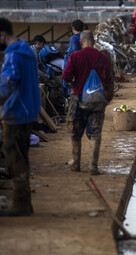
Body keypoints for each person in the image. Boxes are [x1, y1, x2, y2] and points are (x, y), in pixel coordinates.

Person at [0, 18, 40, 216]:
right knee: (21, 157)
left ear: (2, 35)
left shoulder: (13, 56)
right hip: (29, 111)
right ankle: (23, 202)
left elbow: (5, 86)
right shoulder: (27, 51)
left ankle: (21, 204)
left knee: (15, 160)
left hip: (16, 113)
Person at [62, 31, 114, 175]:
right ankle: (93, 165)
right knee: (95, 133)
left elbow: (66, 76)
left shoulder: (75, 56)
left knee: (75, 132)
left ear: (81, 41)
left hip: (78, 98)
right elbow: (110, 80)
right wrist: (108, 98)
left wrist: (74, 84)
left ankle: (76, 163)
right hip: (98, 100)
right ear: (93, 41)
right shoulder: (103, 57)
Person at [62, 19, 84, 97]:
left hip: (73, 71)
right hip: (80, 71)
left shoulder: (74, 38)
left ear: (73, 28)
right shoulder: (85, 37)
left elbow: (75, 54)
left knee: (71, 95)